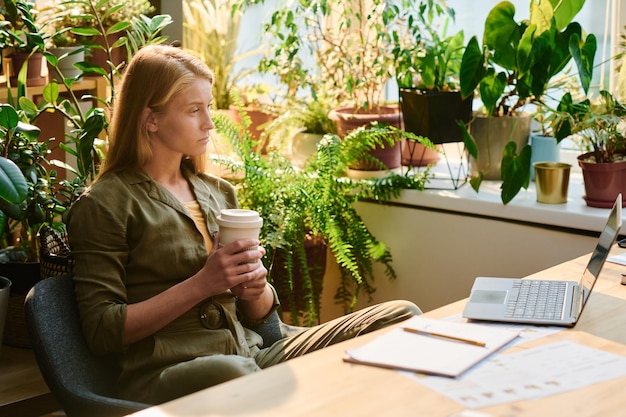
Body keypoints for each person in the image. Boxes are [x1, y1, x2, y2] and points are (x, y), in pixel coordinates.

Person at [67, 44, 422, 405]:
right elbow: (102, 330)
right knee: (236, 375)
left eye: (208, 107)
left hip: (249, 354)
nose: (209, 122)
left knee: (400, 319)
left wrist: (255, 287)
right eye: (194, 110)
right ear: (151, 119)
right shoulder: (105, 204)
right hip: (167, 371)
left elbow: (265, 326)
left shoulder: (219, 193)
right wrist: (203, 284)